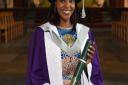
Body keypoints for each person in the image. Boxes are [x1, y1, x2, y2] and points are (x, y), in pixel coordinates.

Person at [26, 0, 103, 85]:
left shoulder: (86, 33)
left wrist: (87, 64)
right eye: (62, 1)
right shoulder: (41, 34)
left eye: (71, 1)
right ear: (55, 3)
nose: (67, 5)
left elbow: (95, 73)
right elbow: (35, 73)